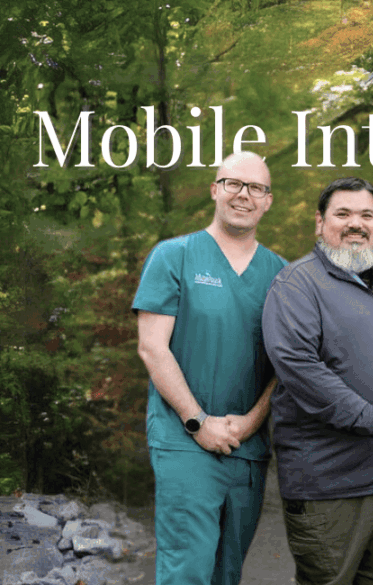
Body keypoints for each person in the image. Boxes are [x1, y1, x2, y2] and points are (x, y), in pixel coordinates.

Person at [261, 177, 373, 585]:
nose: (356, 223)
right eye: (343, 214)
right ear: (320, 223)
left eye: (366, 215)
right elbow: (298, 364)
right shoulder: (296, 284)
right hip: (329, 480)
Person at [133, 151, 286, 585]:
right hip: (186, 443)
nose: (244, 195)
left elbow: (286, 365)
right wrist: (198, 422)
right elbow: (152, 349)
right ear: (215, 189)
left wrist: (253, 423)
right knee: (188, 572)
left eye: (256, 187)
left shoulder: (282, 275)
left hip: (248, 448)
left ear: (268, 201)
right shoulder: (174, 256)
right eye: (234, 183)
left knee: (227, 573)